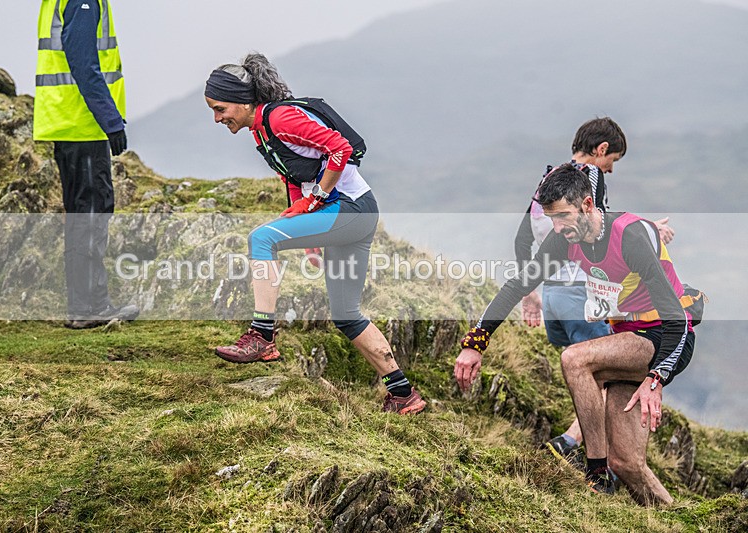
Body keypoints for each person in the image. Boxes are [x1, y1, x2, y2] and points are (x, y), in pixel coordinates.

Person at [455, 164, 695, 505]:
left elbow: (677, 319)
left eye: (563, 216)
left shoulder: (629, 237)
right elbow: (518, 284)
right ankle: (673, 518)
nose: (557, 227)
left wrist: (657, 378)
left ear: (587, 204)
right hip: (626, 340)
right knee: (627, 463)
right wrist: (476, 342)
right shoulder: (564, 240)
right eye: (551, 218)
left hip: (665, 338)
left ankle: (596, 474)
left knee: (575, 358)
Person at [205, 53, 426, 415]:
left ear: (243, 101)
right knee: (346, 314)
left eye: (220, 109)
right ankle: (403, 394)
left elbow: (340, 148)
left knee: (262, 238)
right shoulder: (262, 130)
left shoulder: (280, 117)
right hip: (352, 213)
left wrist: (317, 199)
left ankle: (262, 336)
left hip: (351, 209)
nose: (217, 118)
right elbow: (294, 178)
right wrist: (305, 225)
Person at [514, 118, 674, 466]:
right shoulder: (590, 179)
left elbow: (522, 239)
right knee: (599, 369)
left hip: (552, 296)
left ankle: (586, 450)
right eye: (612, 160)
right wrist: (648, 230)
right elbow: (601, 228)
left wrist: (529, 294)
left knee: (583, 368)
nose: (611, 169)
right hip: (580, 292)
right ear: (601, 149)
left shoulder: (548, 182)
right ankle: (581, 449)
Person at [33, 0, 138, 329]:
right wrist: (111, 121)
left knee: (83, 214)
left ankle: (86, 305)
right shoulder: (83, 1)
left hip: (71, 124)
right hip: (82, 126)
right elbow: (83, 63)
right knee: (91, 212)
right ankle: (89, 307)